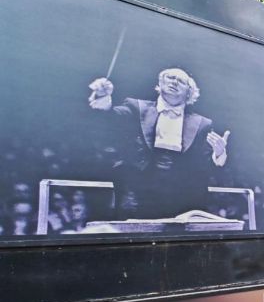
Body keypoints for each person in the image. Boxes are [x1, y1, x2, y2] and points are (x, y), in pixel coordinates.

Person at [88, 68, 231, 219]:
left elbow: (205, 164)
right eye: (170, 77)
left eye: (181, 81)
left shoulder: (203, 123)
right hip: (136, 194)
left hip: (181, 198)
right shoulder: (136, 107)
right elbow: (110, 119)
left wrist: (219, 153)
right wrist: (103, 100)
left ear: (189, 92)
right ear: (160, 83)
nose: (174, 81)